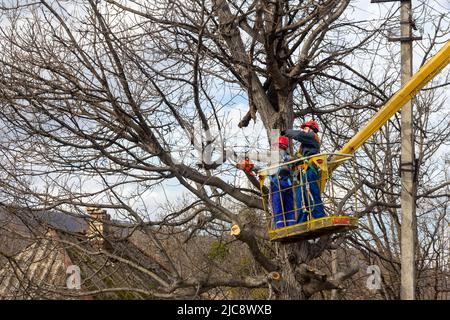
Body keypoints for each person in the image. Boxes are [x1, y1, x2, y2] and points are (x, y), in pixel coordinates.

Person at [236, 136, 295, 229]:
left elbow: (260, 159)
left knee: (277, 206)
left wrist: (248, 157)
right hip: (288, 184)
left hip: (277, 184)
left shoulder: (273, 156)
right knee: (289, 207)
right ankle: (292, 227)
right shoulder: (289, 157)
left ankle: (281, 228)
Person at [281, 120, 326, 223]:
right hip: (302, 172)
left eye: (305, 128)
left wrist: (286, 132)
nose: (304, 130)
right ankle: (301, 221)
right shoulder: (304, 146)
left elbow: (299, 135)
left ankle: (319, 217)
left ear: (311, 128)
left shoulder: (312, 136)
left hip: (310, 169)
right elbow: (298, 157)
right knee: (300, 198)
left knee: (311, 193)